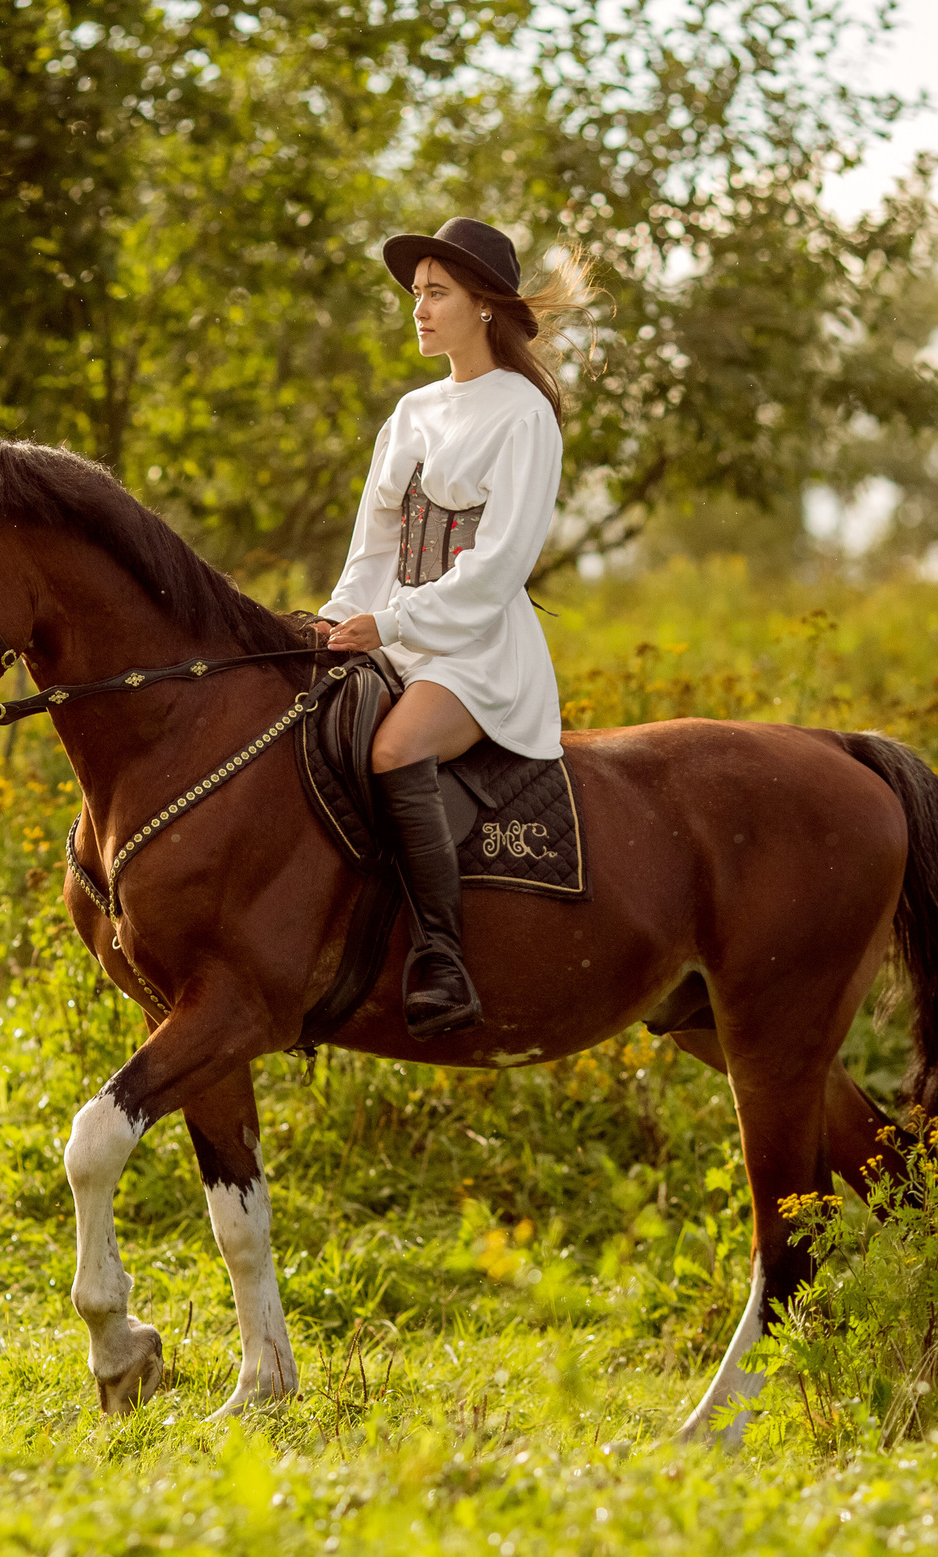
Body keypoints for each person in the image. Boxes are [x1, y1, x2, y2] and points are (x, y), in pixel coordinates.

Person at [315, 217, 591, 1040]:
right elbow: (372, 547)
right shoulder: (410, 413)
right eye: (415, 294)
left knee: (393, 749)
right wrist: (331, 623)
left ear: (484, 307)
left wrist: (393, 620)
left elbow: (500, 567)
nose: (420, 309)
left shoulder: (524, 414)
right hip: (397, 635)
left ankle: (442, 955)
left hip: (479, 653)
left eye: (437, 293)